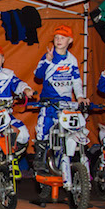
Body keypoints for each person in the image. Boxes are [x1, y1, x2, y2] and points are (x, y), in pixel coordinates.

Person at [32, 25, 85, 172]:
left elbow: (76, 80)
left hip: (65, 103)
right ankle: (40, 158)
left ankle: (68, 159)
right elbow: (37, 75)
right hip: (49, 101)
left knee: (69, 130)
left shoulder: (72, 60)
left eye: (63, 37)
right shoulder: (48, 56)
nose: (59, 40)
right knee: (43, 127)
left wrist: (80, 97)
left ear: (70, 40)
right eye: (56, 37)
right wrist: (47, 61)